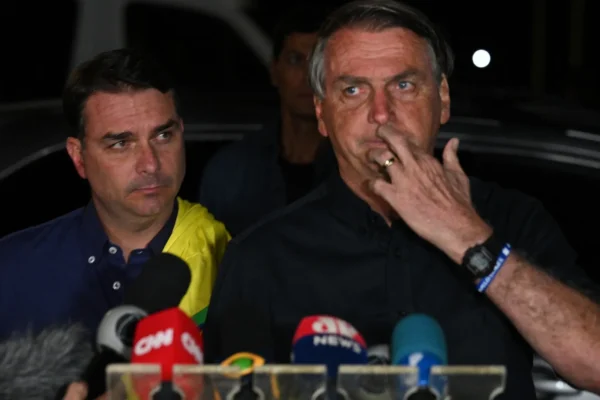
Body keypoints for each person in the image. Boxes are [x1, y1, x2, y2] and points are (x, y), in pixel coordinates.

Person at [203, 0, 600, 398]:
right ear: (321, 113)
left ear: (443, 99)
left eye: (403, 86)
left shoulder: (514, 219)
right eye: (353, 90)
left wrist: (470, 238)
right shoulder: (261, 257)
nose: (381, 114)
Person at [0, 49, 230, 340]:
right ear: (78, 157)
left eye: (163, 136)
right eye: (121, 143)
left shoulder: (231, 261)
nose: (151, 164)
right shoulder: (12, 270)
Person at [198, 4, 336, 236]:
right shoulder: (232, 170)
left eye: (319, 63)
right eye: (295, 60)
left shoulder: (357, 167)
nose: (308, 76)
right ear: (274, 71)